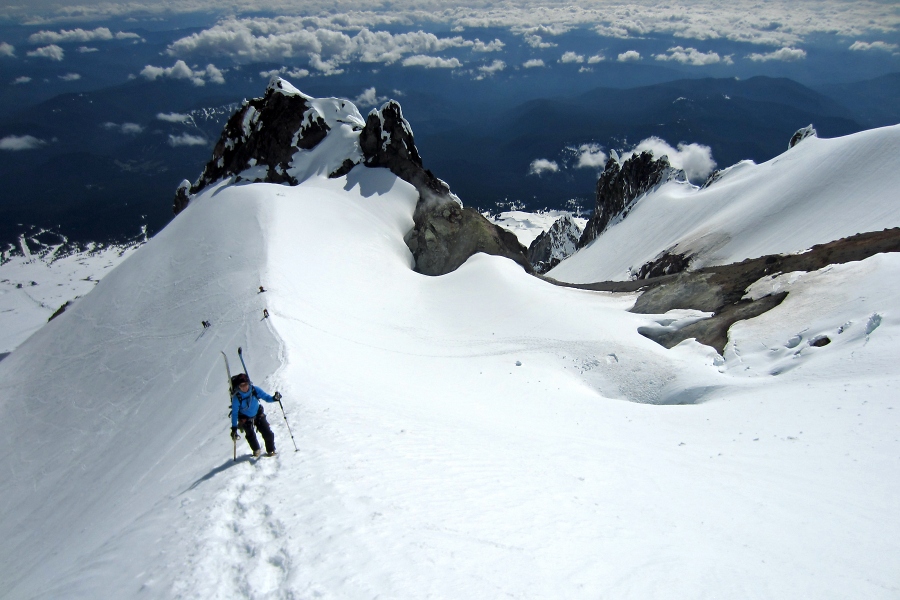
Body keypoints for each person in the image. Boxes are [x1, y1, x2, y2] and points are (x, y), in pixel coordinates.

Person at [230, 372, 281, 457]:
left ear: (249, 383)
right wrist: (234, 428)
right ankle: (256, 450)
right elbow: (234, 414)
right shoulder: (236, 398)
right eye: (241, 385)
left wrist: (274, 398)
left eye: (245, 384)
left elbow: (266, 397)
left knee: (267, 432)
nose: (244, 387)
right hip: (245, 418)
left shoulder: (254, 390)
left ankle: (270, 450)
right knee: (250, 435)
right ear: (238, 386)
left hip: (258, 414)